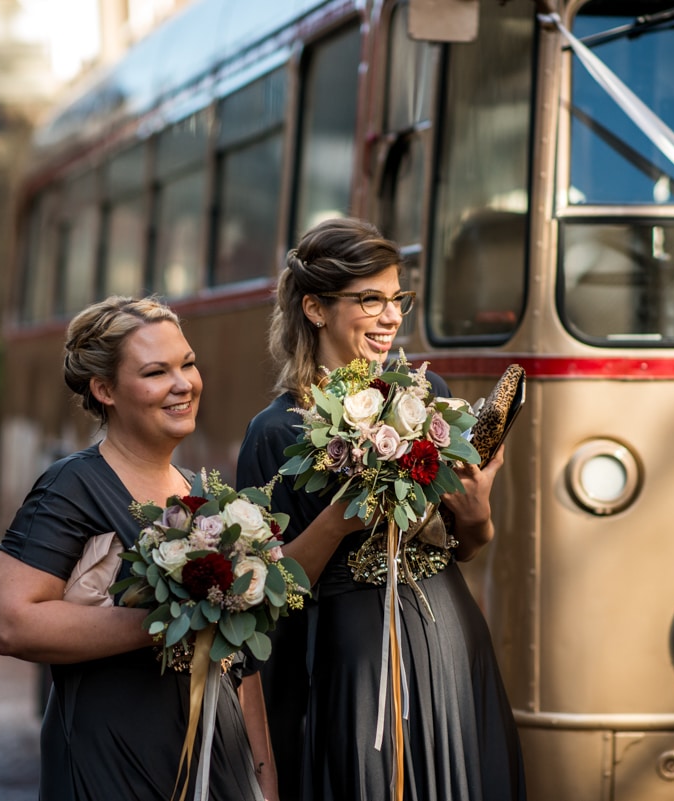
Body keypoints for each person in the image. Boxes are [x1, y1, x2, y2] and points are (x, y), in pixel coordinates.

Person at [236, 218, 527, 801]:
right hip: (353, 655)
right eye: (371, 299)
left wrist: (476, 513)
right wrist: (342, 517)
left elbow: (468, 543)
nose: (392, 317)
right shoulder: (275, 433)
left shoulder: (427, 396)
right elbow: (267, 593)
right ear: (316, 309)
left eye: (398, 298)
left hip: (449, 636)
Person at [0, 296, 276, 801]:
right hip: (116, 761)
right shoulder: (72, 486)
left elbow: (242, 664)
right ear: (105, 390)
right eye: (157, 372)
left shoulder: (203, 491)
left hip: (220, 761)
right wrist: (173, 618)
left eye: (187, 363)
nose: (183, 384)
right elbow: (9, 622)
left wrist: (264, 779)